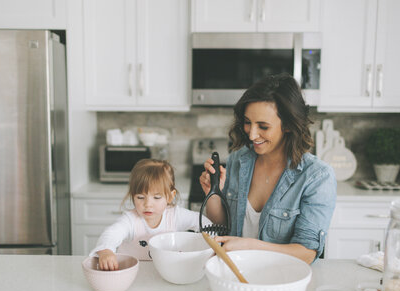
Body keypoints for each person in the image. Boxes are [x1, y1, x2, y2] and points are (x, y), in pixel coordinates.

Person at [199, 73, 337, 264]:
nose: (252, 134)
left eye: (263, 126)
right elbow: (224, 227)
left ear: (288, 125)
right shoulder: (238, 161)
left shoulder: (317, 177)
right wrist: (213, 194)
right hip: (235, 274)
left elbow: (306, 252)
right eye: (248, 122)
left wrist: (251, 246)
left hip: (281, 281)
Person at [90, 159, 212, 271]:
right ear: (133, 196)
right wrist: (106, 251)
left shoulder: (175, 215)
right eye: (140, 197)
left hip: (166, 273)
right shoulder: (131, 220)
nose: (148, 204)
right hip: (135, 275)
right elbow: (111, 233)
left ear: (170, 196)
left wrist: (215, 244)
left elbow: (202, 223)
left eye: (157, 197)